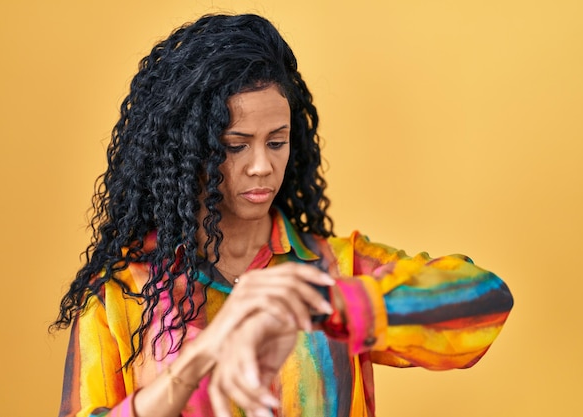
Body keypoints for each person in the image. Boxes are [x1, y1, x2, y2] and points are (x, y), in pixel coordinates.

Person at [52, 13, 514, 417]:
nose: (262, 165)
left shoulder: (331, 268)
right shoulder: (124, 291)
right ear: (185, 153)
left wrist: (318, 305)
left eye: (277, 141)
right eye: (235, 146)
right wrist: (195, 365)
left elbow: (485, 304)